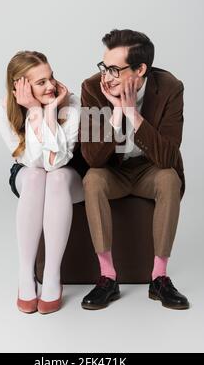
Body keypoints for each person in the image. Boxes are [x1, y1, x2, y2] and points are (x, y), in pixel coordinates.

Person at [80, 29, 190, 310]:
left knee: (169, 178)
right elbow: (93, 158)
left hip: (149, 169)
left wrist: (133, 113)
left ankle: (159, 278)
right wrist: (116, 113)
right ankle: (107, 277)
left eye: (115, 70)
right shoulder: (93, 88)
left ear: (140, 69)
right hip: (113, 171)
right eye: (104, 67)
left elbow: (167, 155)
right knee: (93, 179)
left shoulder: (169, 88)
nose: (107, 76)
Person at [0, 50, 84, 315]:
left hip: (68, 176)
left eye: (51, 77)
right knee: (34, 175)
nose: (51, 85)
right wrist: (34, 111)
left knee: (53, 178)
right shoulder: (0, 110)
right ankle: (25, 274)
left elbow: (56, 163)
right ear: (19, 86)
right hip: (28, 173)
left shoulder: (72, 103)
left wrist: (51, 112)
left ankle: (52, 274)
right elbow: (32, 161)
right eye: (41, 82)